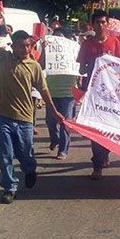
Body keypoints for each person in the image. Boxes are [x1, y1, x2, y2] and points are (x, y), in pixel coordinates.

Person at [0, 9, 65, 204]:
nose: (25, 49)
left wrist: (54, 112)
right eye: (21, 46)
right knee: (4, 154)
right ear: (13, 46)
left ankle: (30, 169)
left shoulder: (34, 66)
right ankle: (9, 187)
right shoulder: (3, 58)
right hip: (4, 116)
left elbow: (44, 91)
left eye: (28, 46)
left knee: (26, 154)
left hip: (24, 120)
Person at [77, 10, 120, 180]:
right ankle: (97, 165)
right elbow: (81, 69)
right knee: (95, 129)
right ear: (93, 25)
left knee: (108, 128)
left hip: (112, 94)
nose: (100, 25)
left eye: (103, 22)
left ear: (107, 24)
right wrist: (95, 62)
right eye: (97, 22)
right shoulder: (87, 44)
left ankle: (105, 153)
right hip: (93, 94)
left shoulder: (114, 43)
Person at [43, 28, 79, 160]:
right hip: (51, 92)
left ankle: (63, 150)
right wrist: (44, 51)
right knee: (50, 121)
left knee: (65, 122)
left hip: (68, 93)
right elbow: (41, 65)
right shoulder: (48, 51)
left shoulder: (72, 50)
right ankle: (55, 139)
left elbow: (80, 67)